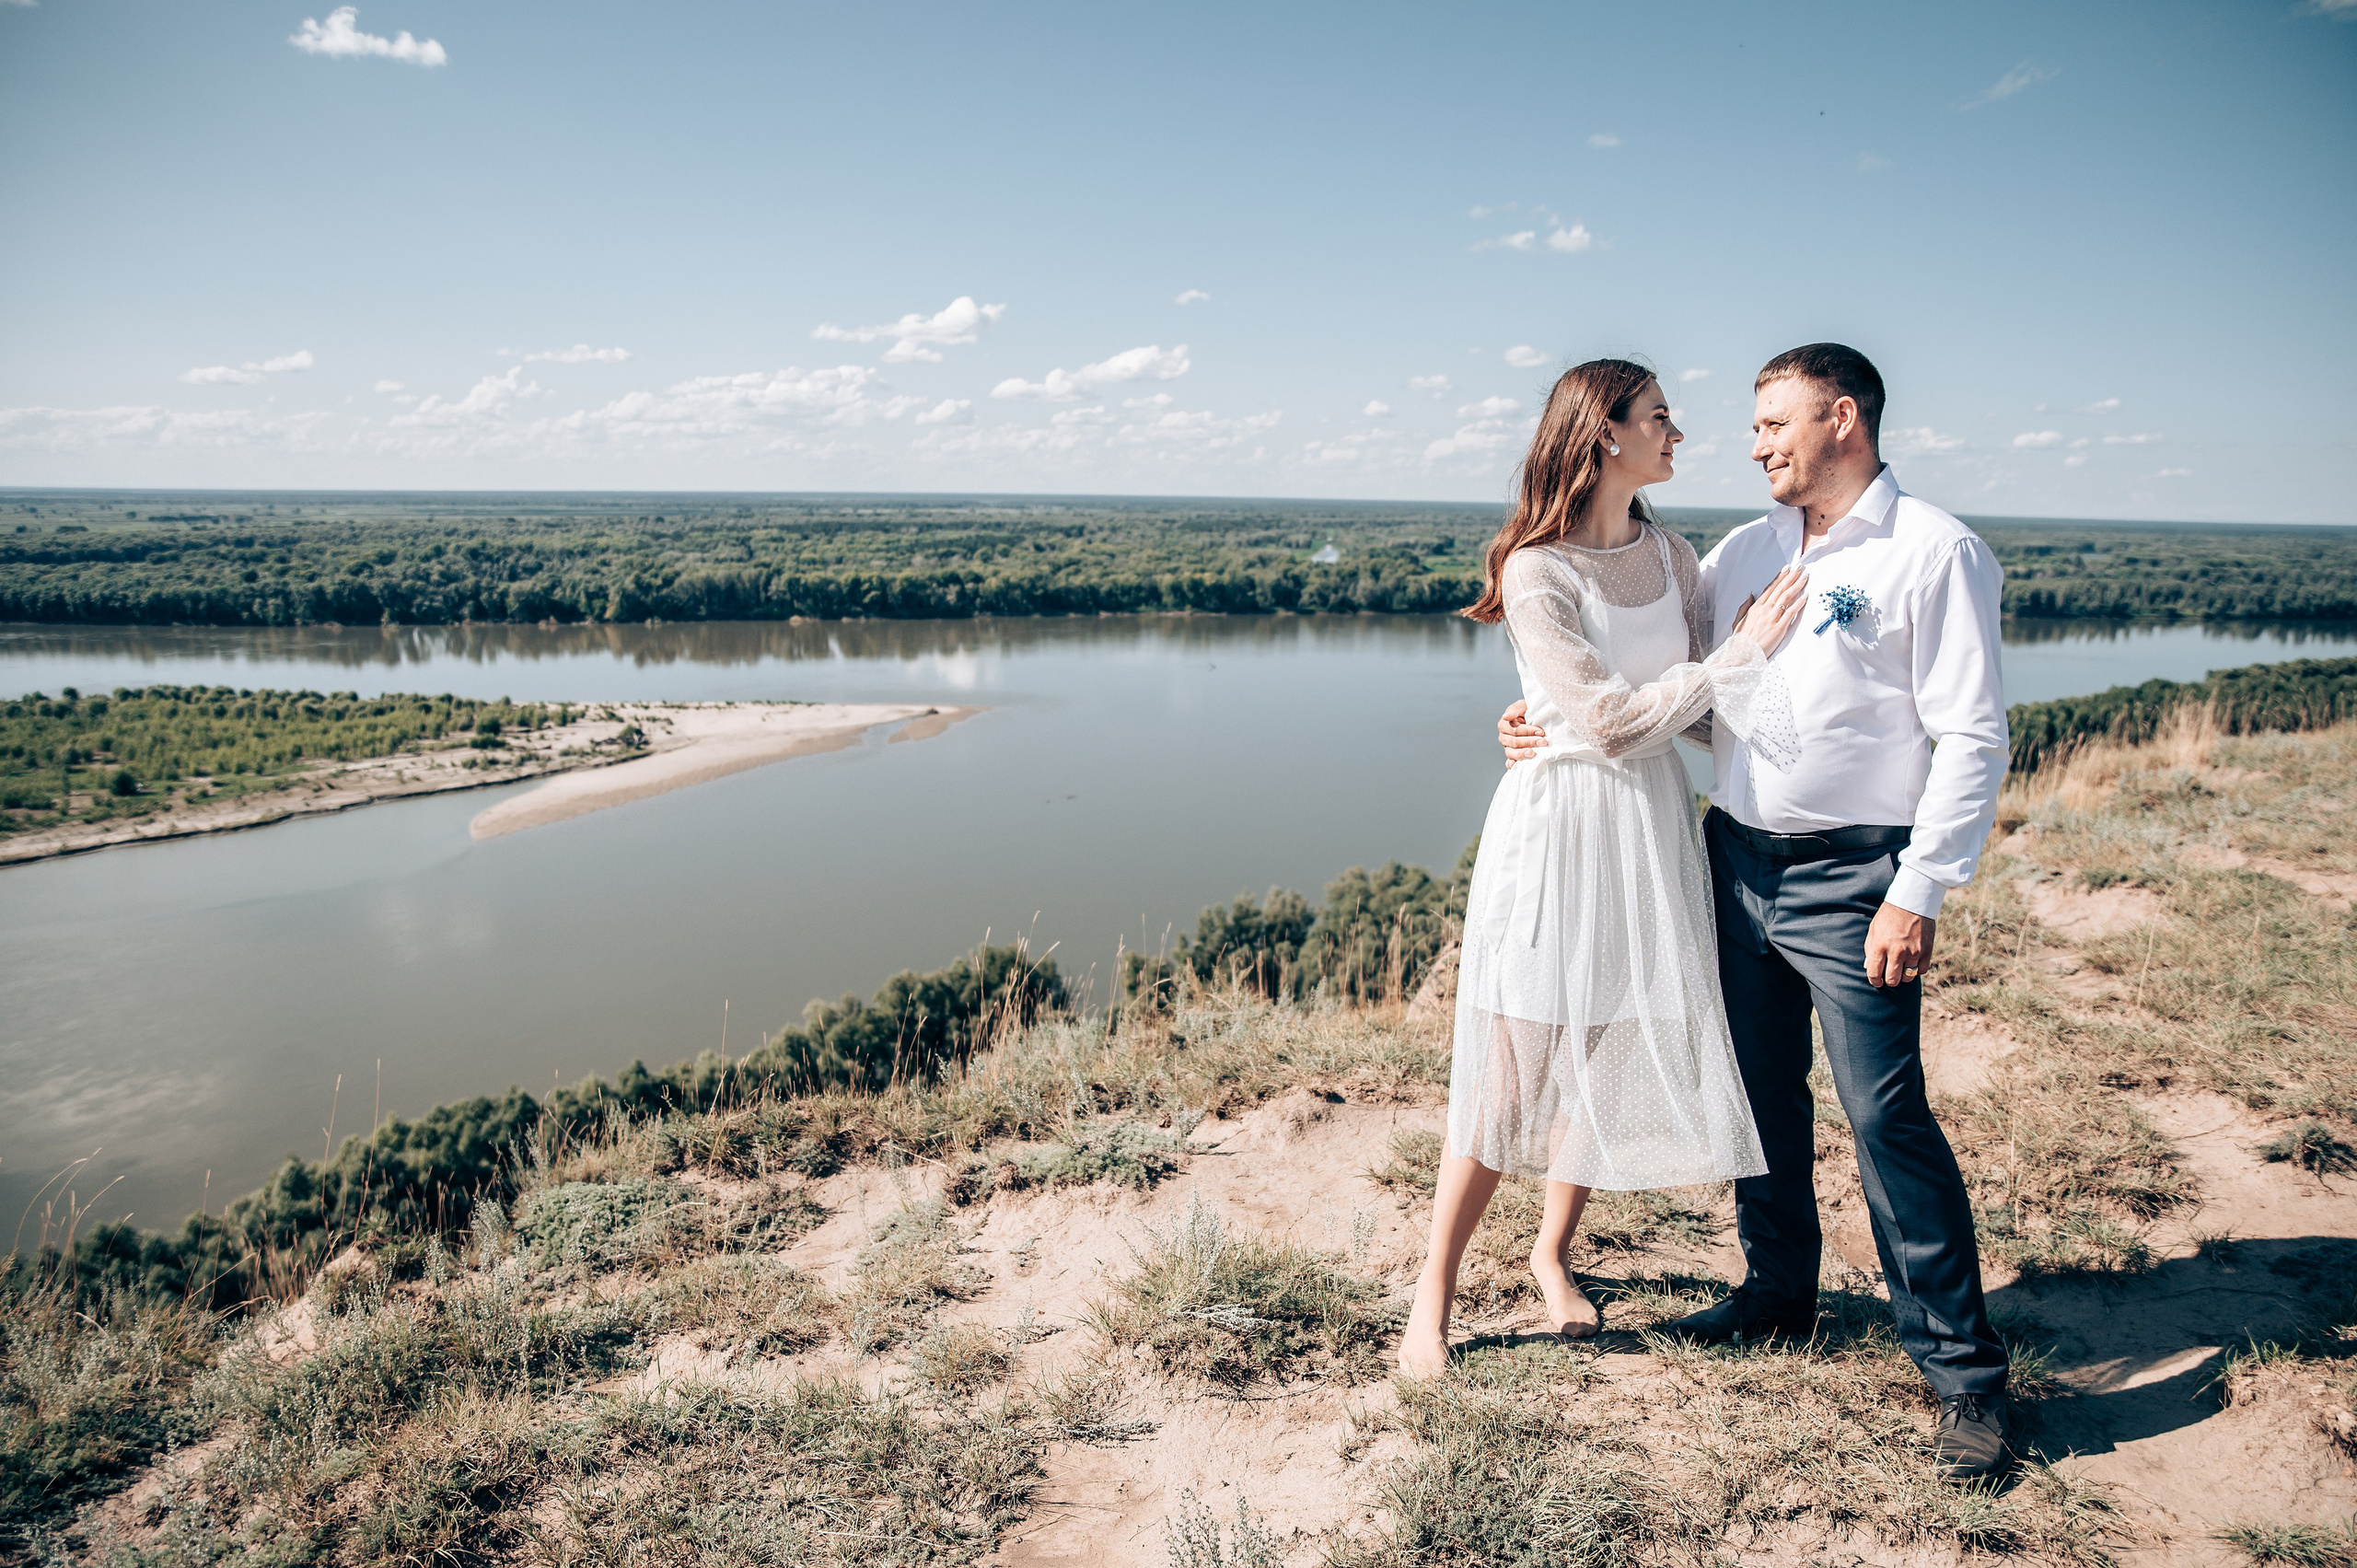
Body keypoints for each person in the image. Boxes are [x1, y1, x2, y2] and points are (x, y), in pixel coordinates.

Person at [1495, 343, 2013, 1480]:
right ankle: (1778, 1295)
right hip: (1731, 862)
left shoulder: (1932, 551)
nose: (1753, 441)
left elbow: (1974, 737)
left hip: (1855, 876)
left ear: (1842, 418)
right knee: (1761, 1095)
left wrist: (1916, 888)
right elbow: (1665, 693)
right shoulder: (1735, 553)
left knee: (1886, 1118)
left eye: (1773, 422)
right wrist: (1545, 718)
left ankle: (1964, 1378)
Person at [1400, 358, 1810, 1378]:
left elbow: (1701, 716)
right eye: (1659, 418)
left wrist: (1819, 763)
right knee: (1516, 1065)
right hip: (1560, 825)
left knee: (1602, 1046)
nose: (1678, 434)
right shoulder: (1536, 568)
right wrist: (1734, 657)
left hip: (1651, 822)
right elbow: (1612, 719)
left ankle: (1551, 1252)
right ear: (1601, 437)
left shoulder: (1674, 557)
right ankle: (1430, 1303)